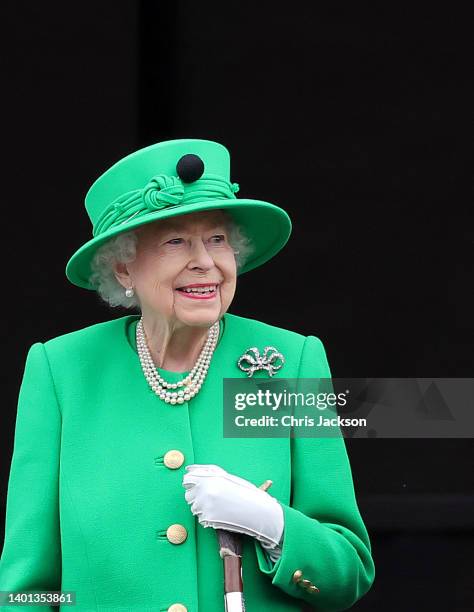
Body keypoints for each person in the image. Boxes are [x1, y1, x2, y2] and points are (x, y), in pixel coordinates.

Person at [0, 139, 375, 611]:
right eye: (176, 241)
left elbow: (349, 571)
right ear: (123, 269)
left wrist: (275, 525)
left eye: (217, 239)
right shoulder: (61, 372)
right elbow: (29, 587)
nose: (206, 261)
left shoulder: (290, 362)